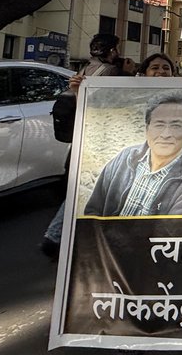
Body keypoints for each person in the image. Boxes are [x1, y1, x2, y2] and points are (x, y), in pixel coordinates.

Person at [40, 33, 125, 258]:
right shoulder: (111, 72)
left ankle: (57, 235)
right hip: (100, 137)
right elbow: (104, 105)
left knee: (86, 187)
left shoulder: (86, 69)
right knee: (91, 187)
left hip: (82, 136)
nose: (118, 52)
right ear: (111, 50)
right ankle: (59, 235)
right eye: (116, 48)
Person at [84, 91, 182, 216]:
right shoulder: (125, 157)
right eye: (159, 125)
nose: (166, 134)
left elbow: (174, 232)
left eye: (176, 126)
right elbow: (93, 211)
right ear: (147, 128)